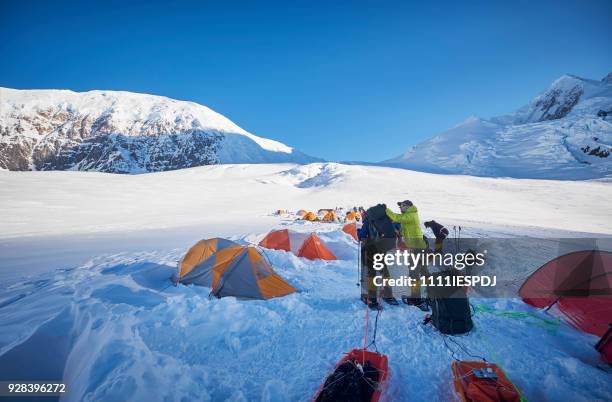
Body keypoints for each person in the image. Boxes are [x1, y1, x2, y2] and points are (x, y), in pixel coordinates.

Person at [386, 200, 429, 311]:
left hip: (417, 249)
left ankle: (417, 300)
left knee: (413, 274)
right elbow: (398, 220)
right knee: (423, 272)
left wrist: (385, 209)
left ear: (408, 206)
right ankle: (431, 295)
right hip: (419, 248)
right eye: (400, 206)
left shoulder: (411, 215)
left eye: (402, 205)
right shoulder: (410, 215)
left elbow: (397, 218)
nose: (400, 207)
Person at [358, 208, 397, 308]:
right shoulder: (384, 221)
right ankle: (389, 296)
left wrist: (359, 232)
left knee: (372, 273)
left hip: (371, 249)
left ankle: (372, 299)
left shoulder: (368, 221)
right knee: (385, 272)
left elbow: (362, 235)